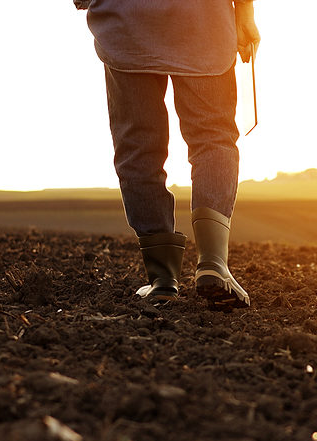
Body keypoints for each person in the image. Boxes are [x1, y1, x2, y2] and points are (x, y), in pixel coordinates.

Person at [77, 0, 260, 309]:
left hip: (129, 23)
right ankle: (214, 263)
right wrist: (244, 11)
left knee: (138, 146)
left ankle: (162, 279)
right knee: (212, 138)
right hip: (203, 22)